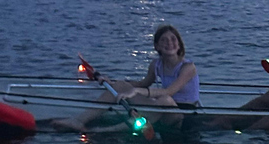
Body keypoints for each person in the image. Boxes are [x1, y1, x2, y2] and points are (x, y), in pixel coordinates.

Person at [55, 25, 200, 132]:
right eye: (164, 40)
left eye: (173, 39)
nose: (169, 43)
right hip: (162, 106)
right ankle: (78, 121)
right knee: (120, 86)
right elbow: (143, 83)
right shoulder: (156, 64)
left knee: (165, 99)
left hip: (183, 116)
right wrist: (113, 83)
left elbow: (168, 91)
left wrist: (135, 91)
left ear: (179, 44)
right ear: (157, 46)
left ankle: (105, 131)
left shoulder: (188, 67)